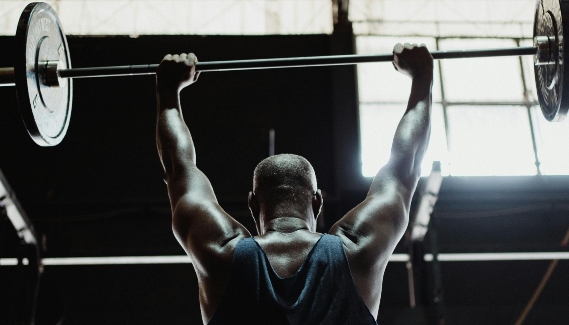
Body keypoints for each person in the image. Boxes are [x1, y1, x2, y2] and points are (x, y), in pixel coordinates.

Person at [155, 43, 433, 324]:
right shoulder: (356, 248)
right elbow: (404, 170)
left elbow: (179, 170)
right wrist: (422, 79)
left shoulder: (220, 251)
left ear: (252, 204)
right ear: (318, 202)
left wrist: (167, 93)